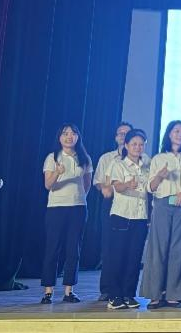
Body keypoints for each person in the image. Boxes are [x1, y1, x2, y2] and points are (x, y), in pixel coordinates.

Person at [141, 120, 181, 308]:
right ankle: (154, 294)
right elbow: (150, 187)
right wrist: (160, 176)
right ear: (169, 134)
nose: (180, 134)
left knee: (179, 249)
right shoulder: (159, 158)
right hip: (163, 204)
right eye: (176, 131)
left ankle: (175, 294)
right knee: (158, 249)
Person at [40, 123, 93, 304]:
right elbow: (48, 185)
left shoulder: (84, 158)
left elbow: (87, 183)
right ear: (59, 137)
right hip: (56, 207)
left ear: (78, 137)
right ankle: (48, 291)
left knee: (73, 249)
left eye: (73, 133)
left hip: (78, 207)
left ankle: (69, 291)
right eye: (65, 133)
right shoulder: (52, 157)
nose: (69, 136)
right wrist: (57, 172)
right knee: (52, 248)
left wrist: (79, 197)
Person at [104, 128, 151, 310]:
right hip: (121, 215)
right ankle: (114, 296)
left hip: (140, 216)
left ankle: (129, 294)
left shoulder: (147, 165)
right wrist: (127, 184)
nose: (138, 147)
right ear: (126, 145)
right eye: (134, 144)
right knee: (118, 256)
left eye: (141, 144)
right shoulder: (118, 164)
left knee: (134, 257)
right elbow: (116, 186)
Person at [92, 120, 132, 301]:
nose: (123, 136)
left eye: (127, 133)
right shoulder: (106, 158)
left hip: (132, 204)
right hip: (111, 202)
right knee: (109, 245)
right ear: (116, 137)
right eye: (120, 133)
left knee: (129, 247)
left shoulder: (142, 158)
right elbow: (98, 181)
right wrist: (104, 188)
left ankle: (125, 289)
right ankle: (107, 288)